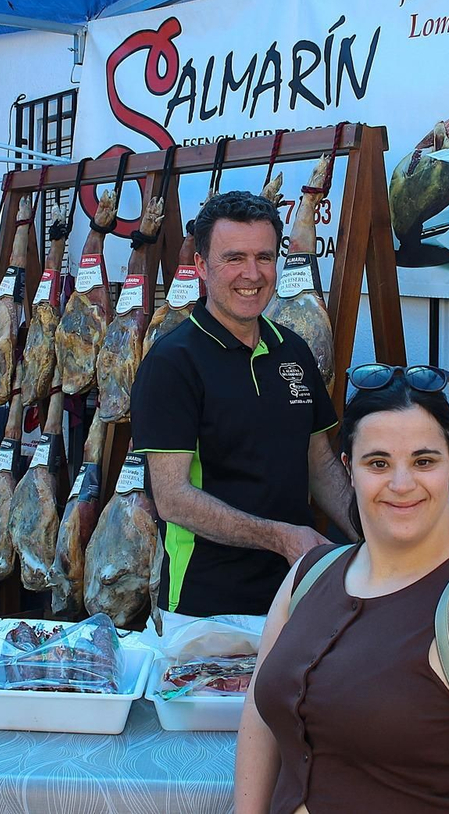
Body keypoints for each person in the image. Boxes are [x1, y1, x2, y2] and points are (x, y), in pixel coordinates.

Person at [236, 367, 449, 813]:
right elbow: (259, 719)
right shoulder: (308, 576)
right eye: (378, 463)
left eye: (424, 462)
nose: (402, 485)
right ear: (349, 469)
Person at [133, 190, 354, 618]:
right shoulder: (172, 363)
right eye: (234, 258)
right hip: (207, 607)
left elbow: (320, 465)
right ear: (202, 266)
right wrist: (282, 537)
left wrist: (370, 532)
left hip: (297, 595)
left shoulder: (293, 350)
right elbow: (173, 498)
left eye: (264, 257)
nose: (251, 274)